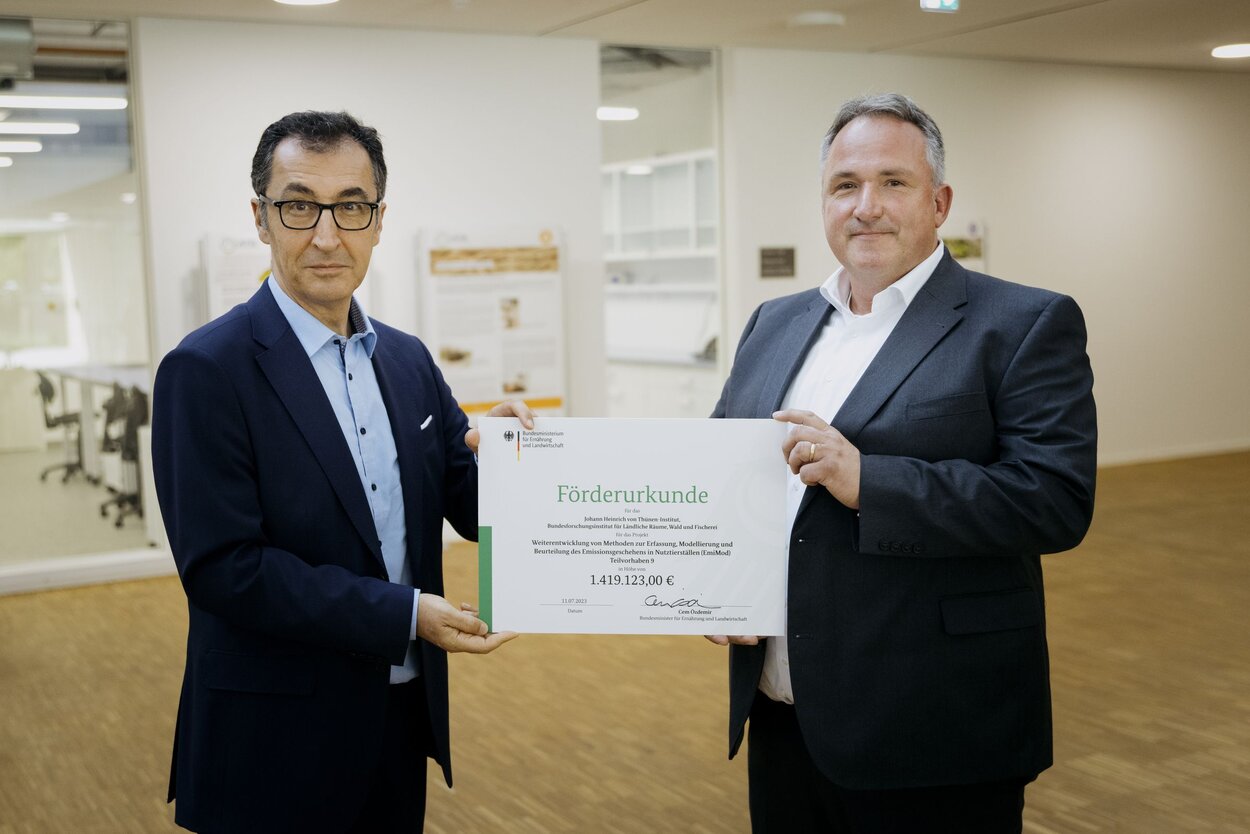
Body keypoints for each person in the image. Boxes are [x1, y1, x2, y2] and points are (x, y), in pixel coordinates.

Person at [707, 93, 1097, 832]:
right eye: (845, 185)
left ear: (940, 201)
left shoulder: (1021, 323)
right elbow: (725, 470)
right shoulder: (775, 322)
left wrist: (870, 482)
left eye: (893, 182)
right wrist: (715, 581)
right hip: (784, 711)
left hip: (931, 725)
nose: (866, 207)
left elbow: (1054, 498)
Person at [151, 110, 532, 833]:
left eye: (350, 208)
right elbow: (225, 569)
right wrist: (402, 614)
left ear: (378, 221)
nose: (327, 236)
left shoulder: (408, 360)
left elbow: (464, 496)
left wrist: (520, 464)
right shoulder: (206, 370)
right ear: (261, 219)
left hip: (396, 710)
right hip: (274, 734)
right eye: (299, 206)